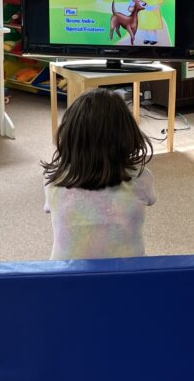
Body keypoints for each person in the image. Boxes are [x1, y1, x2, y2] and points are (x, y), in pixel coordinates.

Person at [43, 88, 156, 260]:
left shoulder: (53, 180)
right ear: (127, 134)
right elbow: (150, 200)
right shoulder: (141, 178)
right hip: (129, 276)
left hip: (67, 278)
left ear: (70, 135)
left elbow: (50, 209)